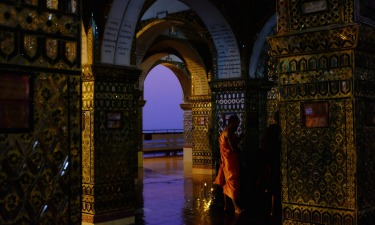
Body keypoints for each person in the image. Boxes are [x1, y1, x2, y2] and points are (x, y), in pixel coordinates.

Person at [214, 114, 244, 214]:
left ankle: (226, 205)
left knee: (226, 183)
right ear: (232, 123)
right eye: (237, 124)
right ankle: (236, 207)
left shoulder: (226, 133)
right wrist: (240, 138)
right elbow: (232, 148)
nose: (237, 126)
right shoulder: (228, 133)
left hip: (227, 160)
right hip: (229, 162)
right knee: (232, 182)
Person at [259, 111, 281, 219]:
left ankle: (270, 209)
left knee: (271, 184)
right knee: (275, 185)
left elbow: (263, 144)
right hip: (276, 160)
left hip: (268, 160)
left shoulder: (269, 130)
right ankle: (274, 209)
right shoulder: (278, 130)